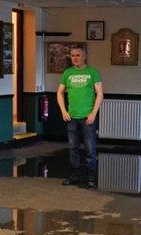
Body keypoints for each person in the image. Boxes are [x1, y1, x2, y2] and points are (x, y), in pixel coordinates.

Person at [56, 46, 104, 189]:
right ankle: (74, 176)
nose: (75, 58)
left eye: (78, 55)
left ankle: (91, 178)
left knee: (90, 149)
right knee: (73, 148)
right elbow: (59, 92)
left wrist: (93, 114)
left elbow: (100, 94)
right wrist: (63, 111)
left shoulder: (92, 72)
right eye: (72, 56)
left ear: (84, 57)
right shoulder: (67, 73)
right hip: (72, 117)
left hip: (87, 117)